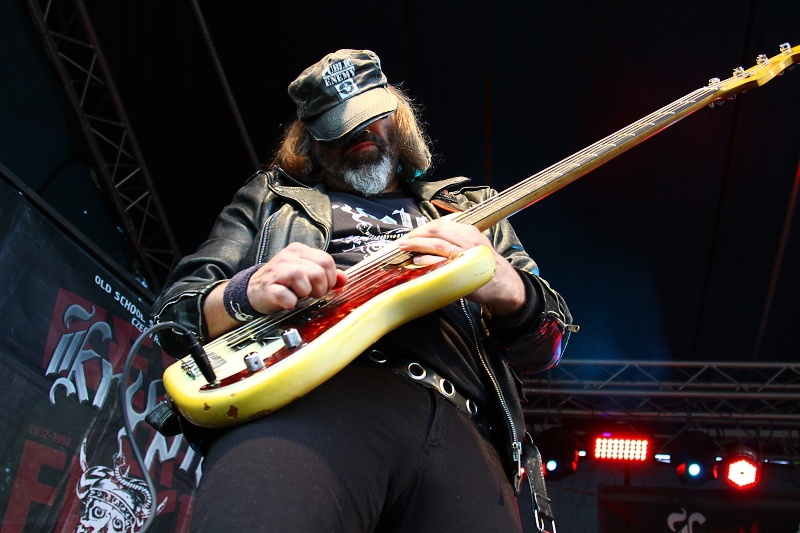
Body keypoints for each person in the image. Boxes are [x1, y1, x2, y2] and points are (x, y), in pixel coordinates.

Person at [152, 49, 575, 533]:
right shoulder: (270, 198)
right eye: (340, 129)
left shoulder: (469, 208)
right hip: (304, 398)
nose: (359, 135)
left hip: (463, 424)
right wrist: (248, 290)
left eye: (370, 119)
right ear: (310, 140)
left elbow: (546, 347)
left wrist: (504, 283)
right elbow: (173, 316)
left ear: (399, 117)